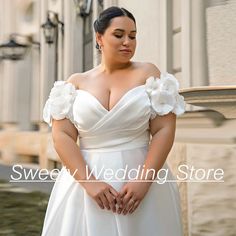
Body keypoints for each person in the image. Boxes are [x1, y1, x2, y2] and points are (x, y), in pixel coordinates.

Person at [41, 6, 185, 236]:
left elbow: (164, 129)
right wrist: (90, 184)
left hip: (141, 179)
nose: (127, 42)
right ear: (99, 38)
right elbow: (62, 135)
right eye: (119, 35)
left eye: (133, 36)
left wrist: (143, 181)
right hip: (85, 183)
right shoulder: (76, 82)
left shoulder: (149, 73)